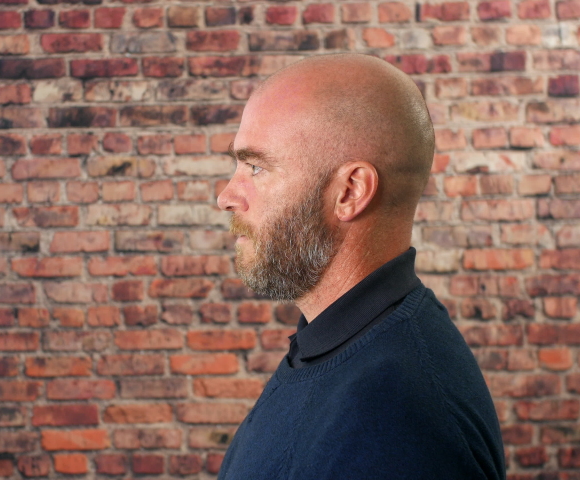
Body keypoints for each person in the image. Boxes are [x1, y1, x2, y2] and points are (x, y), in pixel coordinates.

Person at [215, 54, 506, 479]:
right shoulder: (332, 346)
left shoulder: (395, 416)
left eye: (257, 167)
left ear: (350, 191)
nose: (226, 196)